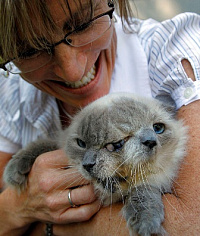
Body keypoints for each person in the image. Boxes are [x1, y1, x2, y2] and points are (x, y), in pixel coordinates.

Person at [0, 0, 199, 235]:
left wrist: (50, 227)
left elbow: (190, 222)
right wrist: (14, 208)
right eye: (30, 50)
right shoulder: (11, 90)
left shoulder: (178, 51)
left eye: (83, 24)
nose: (73, 70)